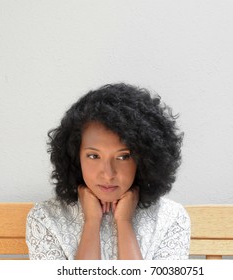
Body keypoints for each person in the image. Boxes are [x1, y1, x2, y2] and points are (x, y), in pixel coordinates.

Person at [26, 83, 190, 260]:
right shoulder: (47, 219)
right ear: (74, 155)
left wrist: (124, 223)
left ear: (144, 159)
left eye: (123, 157)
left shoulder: (170, 219)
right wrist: (91, 223)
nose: (108, 174)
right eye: (94, 156)